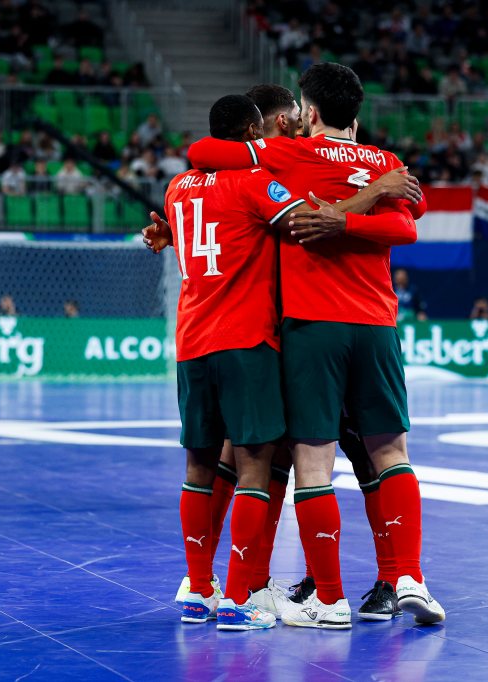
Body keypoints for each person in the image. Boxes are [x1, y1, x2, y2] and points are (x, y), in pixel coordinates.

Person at [149, 84, 420, 623]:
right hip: (260, 337)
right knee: (266, 460)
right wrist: (375, 191)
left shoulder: (181, 188)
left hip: (198, 340)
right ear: (260, 128)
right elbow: (306, 223)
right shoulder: (262, 178)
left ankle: (203, 583)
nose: (296, 126)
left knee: (213, 460)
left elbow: (221, 222)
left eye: (301, 117)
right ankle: (250, 591)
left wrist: (174, 234)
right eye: (287, 119)